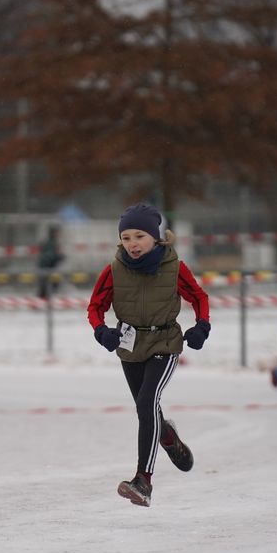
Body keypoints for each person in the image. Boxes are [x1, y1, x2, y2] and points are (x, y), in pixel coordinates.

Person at [87, 202, 211, 507]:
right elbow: (95, 307)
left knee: (146, 402)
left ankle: (143, 481)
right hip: (130, 344)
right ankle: (167, 437)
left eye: (139, 236)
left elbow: (199, 297)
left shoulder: (174, 267)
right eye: (126, 237)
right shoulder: (114, 269)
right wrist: (101, 330)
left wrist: (201, 326)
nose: (132, 244)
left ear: (155, 238)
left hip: (164, 342)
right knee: (147, 409)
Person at [36, 225, 64, 300]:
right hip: (47, 267)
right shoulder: (52, 243)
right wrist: (60, 257)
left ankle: (44, 301)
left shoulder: (50, 242)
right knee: (48, 284)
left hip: (47, 266)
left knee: (47, 284)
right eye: (57, 232)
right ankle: (44, 302)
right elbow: (50, 255)